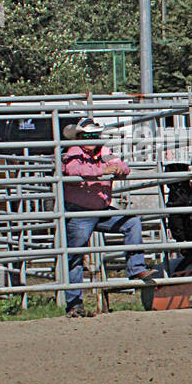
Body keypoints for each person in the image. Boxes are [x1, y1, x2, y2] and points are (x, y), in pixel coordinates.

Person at [60, 117, 152, 317]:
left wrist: (119, 169)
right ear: (79, 137)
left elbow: (122, 166)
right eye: (88, 135)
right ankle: (74, 304)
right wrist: (103, 170)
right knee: (75, 257)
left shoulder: (104, 152)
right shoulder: (74, 152)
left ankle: (136, 268)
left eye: (95, 134)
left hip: (101, 210)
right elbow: (73, 170)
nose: (93, 138)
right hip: (80, 212)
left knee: (132, 222)